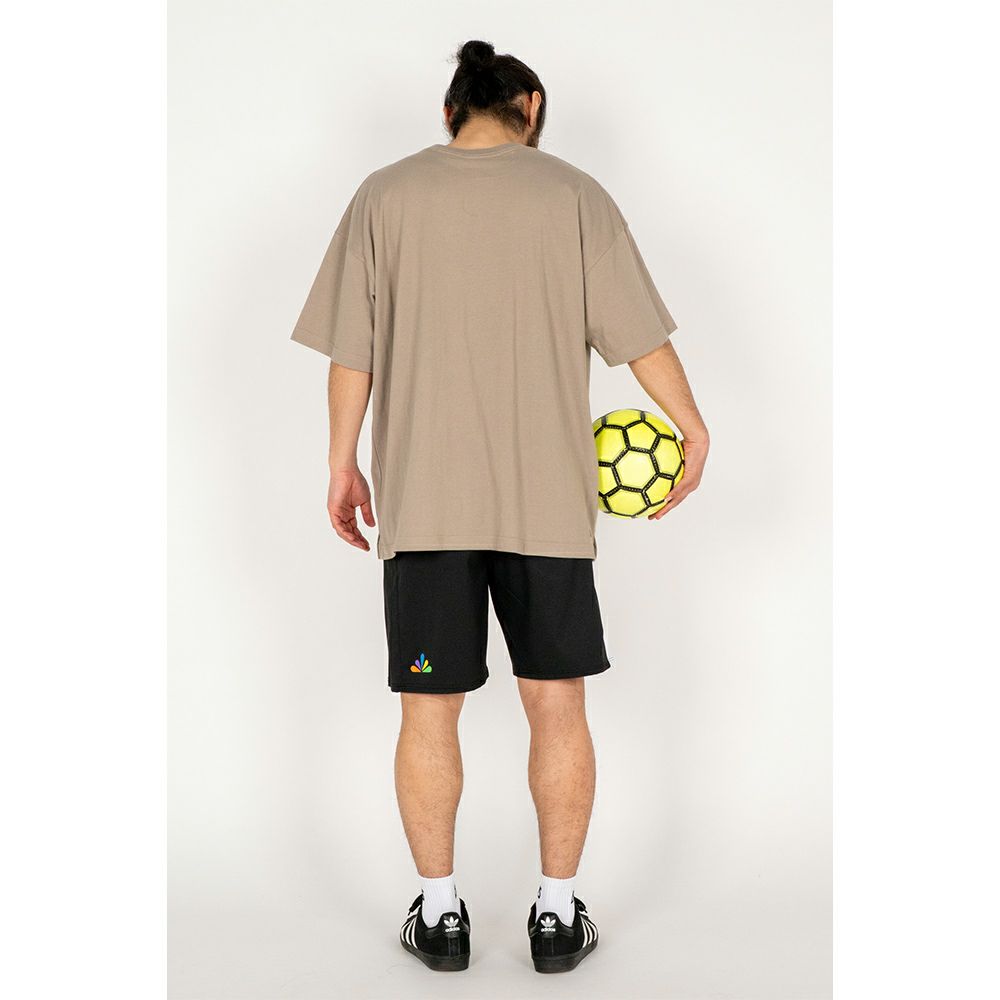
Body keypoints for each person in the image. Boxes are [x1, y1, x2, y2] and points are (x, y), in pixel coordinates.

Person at [291, 39, 709, 974]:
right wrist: (692, 426)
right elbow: (640, 337)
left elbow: (351, 352)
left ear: (450, 111)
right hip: (548, 510)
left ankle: (441, 918)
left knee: (427, 711)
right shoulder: (575, 196)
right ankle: (556, 919)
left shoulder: (384, 197)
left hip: (425, 508)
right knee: (557, 706)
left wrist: (342, 464)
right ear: (532, 106)